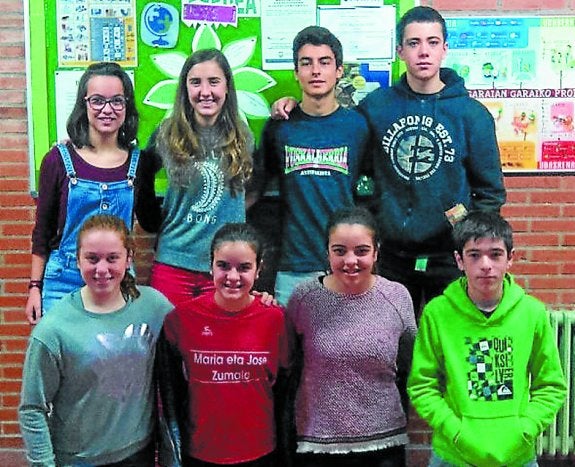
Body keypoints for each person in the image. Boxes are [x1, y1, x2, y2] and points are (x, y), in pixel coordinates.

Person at [272, 7, 506, 315]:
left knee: (448, 339)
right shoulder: (377, 107)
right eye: (413, 43)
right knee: (394, 339)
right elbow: (338, 134)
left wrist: (469, 244)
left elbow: (490, 193)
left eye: (432, 42)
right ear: (400, 51)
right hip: (391, 257)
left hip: (449, 257)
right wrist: (292, 105)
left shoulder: (472, 115)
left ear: (445, 48)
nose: (423, 52)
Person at [407, 210, 567, 467]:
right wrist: (455, 431)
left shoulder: (532, 313)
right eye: (474, 255)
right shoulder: (437, 314)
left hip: (517, 456)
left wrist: (525, 429)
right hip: (453, 456)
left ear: (510, 258)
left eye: (495, 254)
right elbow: (422, 386)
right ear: (459, 260)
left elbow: (551, 385)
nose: (485, 265)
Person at [19, 214, 174, 466]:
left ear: (128, 259)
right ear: (78, 260)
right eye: (92, 259)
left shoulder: (154, 307)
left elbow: (196, 338)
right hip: (79, 459)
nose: (102, 269)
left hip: (139, 452)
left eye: (112, 258)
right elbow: (32, 409)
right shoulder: (53, 330)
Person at [285, 206, 417, 466]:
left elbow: (411, 362)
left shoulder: (397, 296)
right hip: (317, 444)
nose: (350, 261)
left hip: (384, 444)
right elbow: (288, 362)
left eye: (361, 251)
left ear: (376, 252)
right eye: (339, 251)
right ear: (327, 252)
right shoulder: (304, 298)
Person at [158, 223, 289, 467]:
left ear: (259, 270)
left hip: (261, 452)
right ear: (211, 266)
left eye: (244, 268)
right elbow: (170, 389)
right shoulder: (181, 320)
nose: (233, 276)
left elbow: (285, 390)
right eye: (223, 266)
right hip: (201, 452)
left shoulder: (276, 319)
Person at [257, 25, 369, 306]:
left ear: (339, 70)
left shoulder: (358, 127)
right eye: (306, 63)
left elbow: (370, 194)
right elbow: (258, 190)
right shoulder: (279, 128)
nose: (316, 71)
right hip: (293, 266)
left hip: (346, 264)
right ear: (296, 72)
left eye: (324, 62)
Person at [136, 49, 257, 307]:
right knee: (170, 332)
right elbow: (140, 175)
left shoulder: (244, 137)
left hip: (225, 267)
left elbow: (256, 185)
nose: (205, 92)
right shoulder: (166, 134)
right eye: (195, 82)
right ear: (185, 88)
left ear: (227, 87)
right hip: (174, 261)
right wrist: (152, 220)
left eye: (213, 82)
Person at [26, 62, 141, 324]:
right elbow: (43, 230)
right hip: (63, 281)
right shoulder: (57, 160)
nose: (107, 109)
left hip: (118, 280)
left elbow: (152, 219)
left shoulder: (139, 162)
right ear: (84, 104)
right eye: (97, 100)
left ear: (127, 106)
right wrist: (35, 287)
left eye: (117, 101)